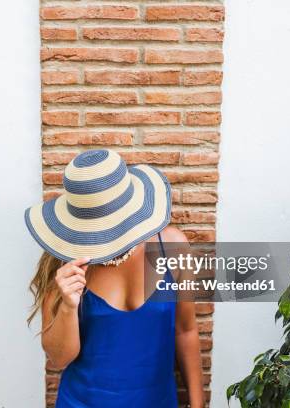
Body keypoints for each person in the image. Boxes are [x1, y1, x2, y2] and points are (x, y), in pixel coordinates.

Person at [25, 149, 204, 408]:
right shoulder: (65, 262)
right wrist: (67, 306)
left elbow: (185, 329)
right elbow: (59, 358)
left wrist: (198, 404)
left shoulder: (173, 247)